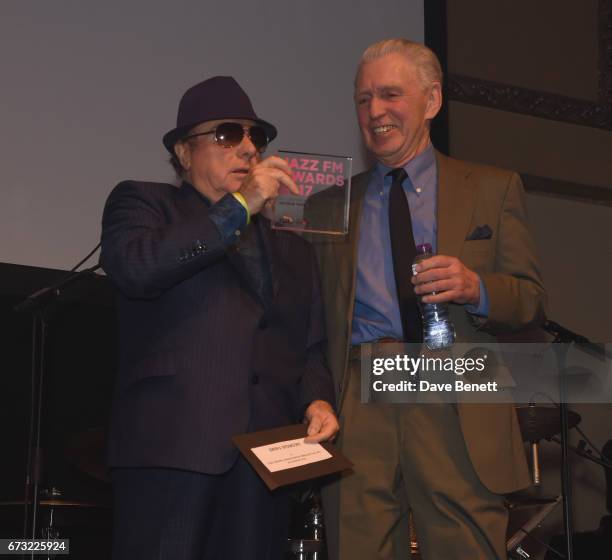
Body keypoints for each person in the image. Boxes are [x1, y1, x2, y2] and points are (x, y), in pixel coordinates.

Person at [308, 39, 547, 559]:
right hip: (362, 393)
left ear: (432, 100)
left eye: (390, 94)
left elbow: (528, 299)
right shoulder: (327, 208)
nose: (374, 111)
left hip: (455, 387)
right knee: (357, 546)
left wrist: (477, 288)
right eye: (363, 98)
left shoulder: (492, 187)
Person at [100, 76, 339, 560]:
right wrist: (239, 207)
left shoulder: (293, 249)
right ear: (185, 153)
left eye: (257, 137)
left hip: (266, 463)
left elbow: (308, 348)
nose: (248, 148)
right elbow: (139, 267)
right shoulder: (146, 204)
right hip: (173, 451)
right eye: (228, 134)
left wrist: (317, 400)